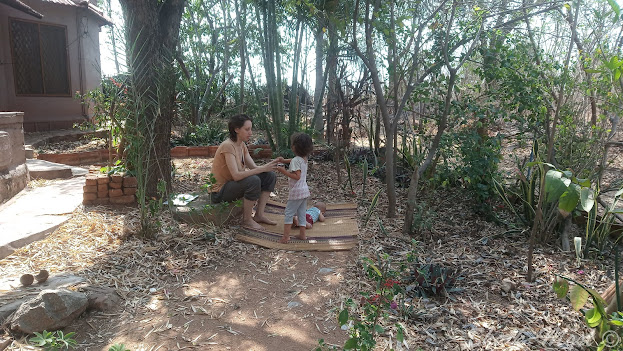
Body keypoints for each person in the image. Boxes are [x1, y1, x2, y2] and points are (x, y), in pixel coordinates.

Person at [211, 114, 282, 230]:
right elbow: (236, 176)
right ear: (236, 129)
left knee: (269, 176)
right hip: (220, 191)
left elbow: (253, 167)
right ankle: (247, 220)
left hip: (233, 185)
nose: (250, 133)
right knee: (253, 181)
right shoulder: (228, 146)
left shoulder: (242, 145)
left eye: (251, 129)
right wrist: (262, 168)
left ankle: (259, 215)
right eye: (247, 129)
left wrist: (269, 166)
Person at [277, 133, 314, 243]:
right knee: (301, 213)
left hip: (296, 192)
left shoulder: (295, 161)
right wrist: (284, 161)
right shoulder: (304, 158)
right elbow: (293, 160)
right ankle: (302, 234)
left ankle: (286, 237)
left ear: (294, 147)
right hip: (304, 191)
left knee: (289, 213)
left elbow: (297, 176)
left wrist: (283, 171)